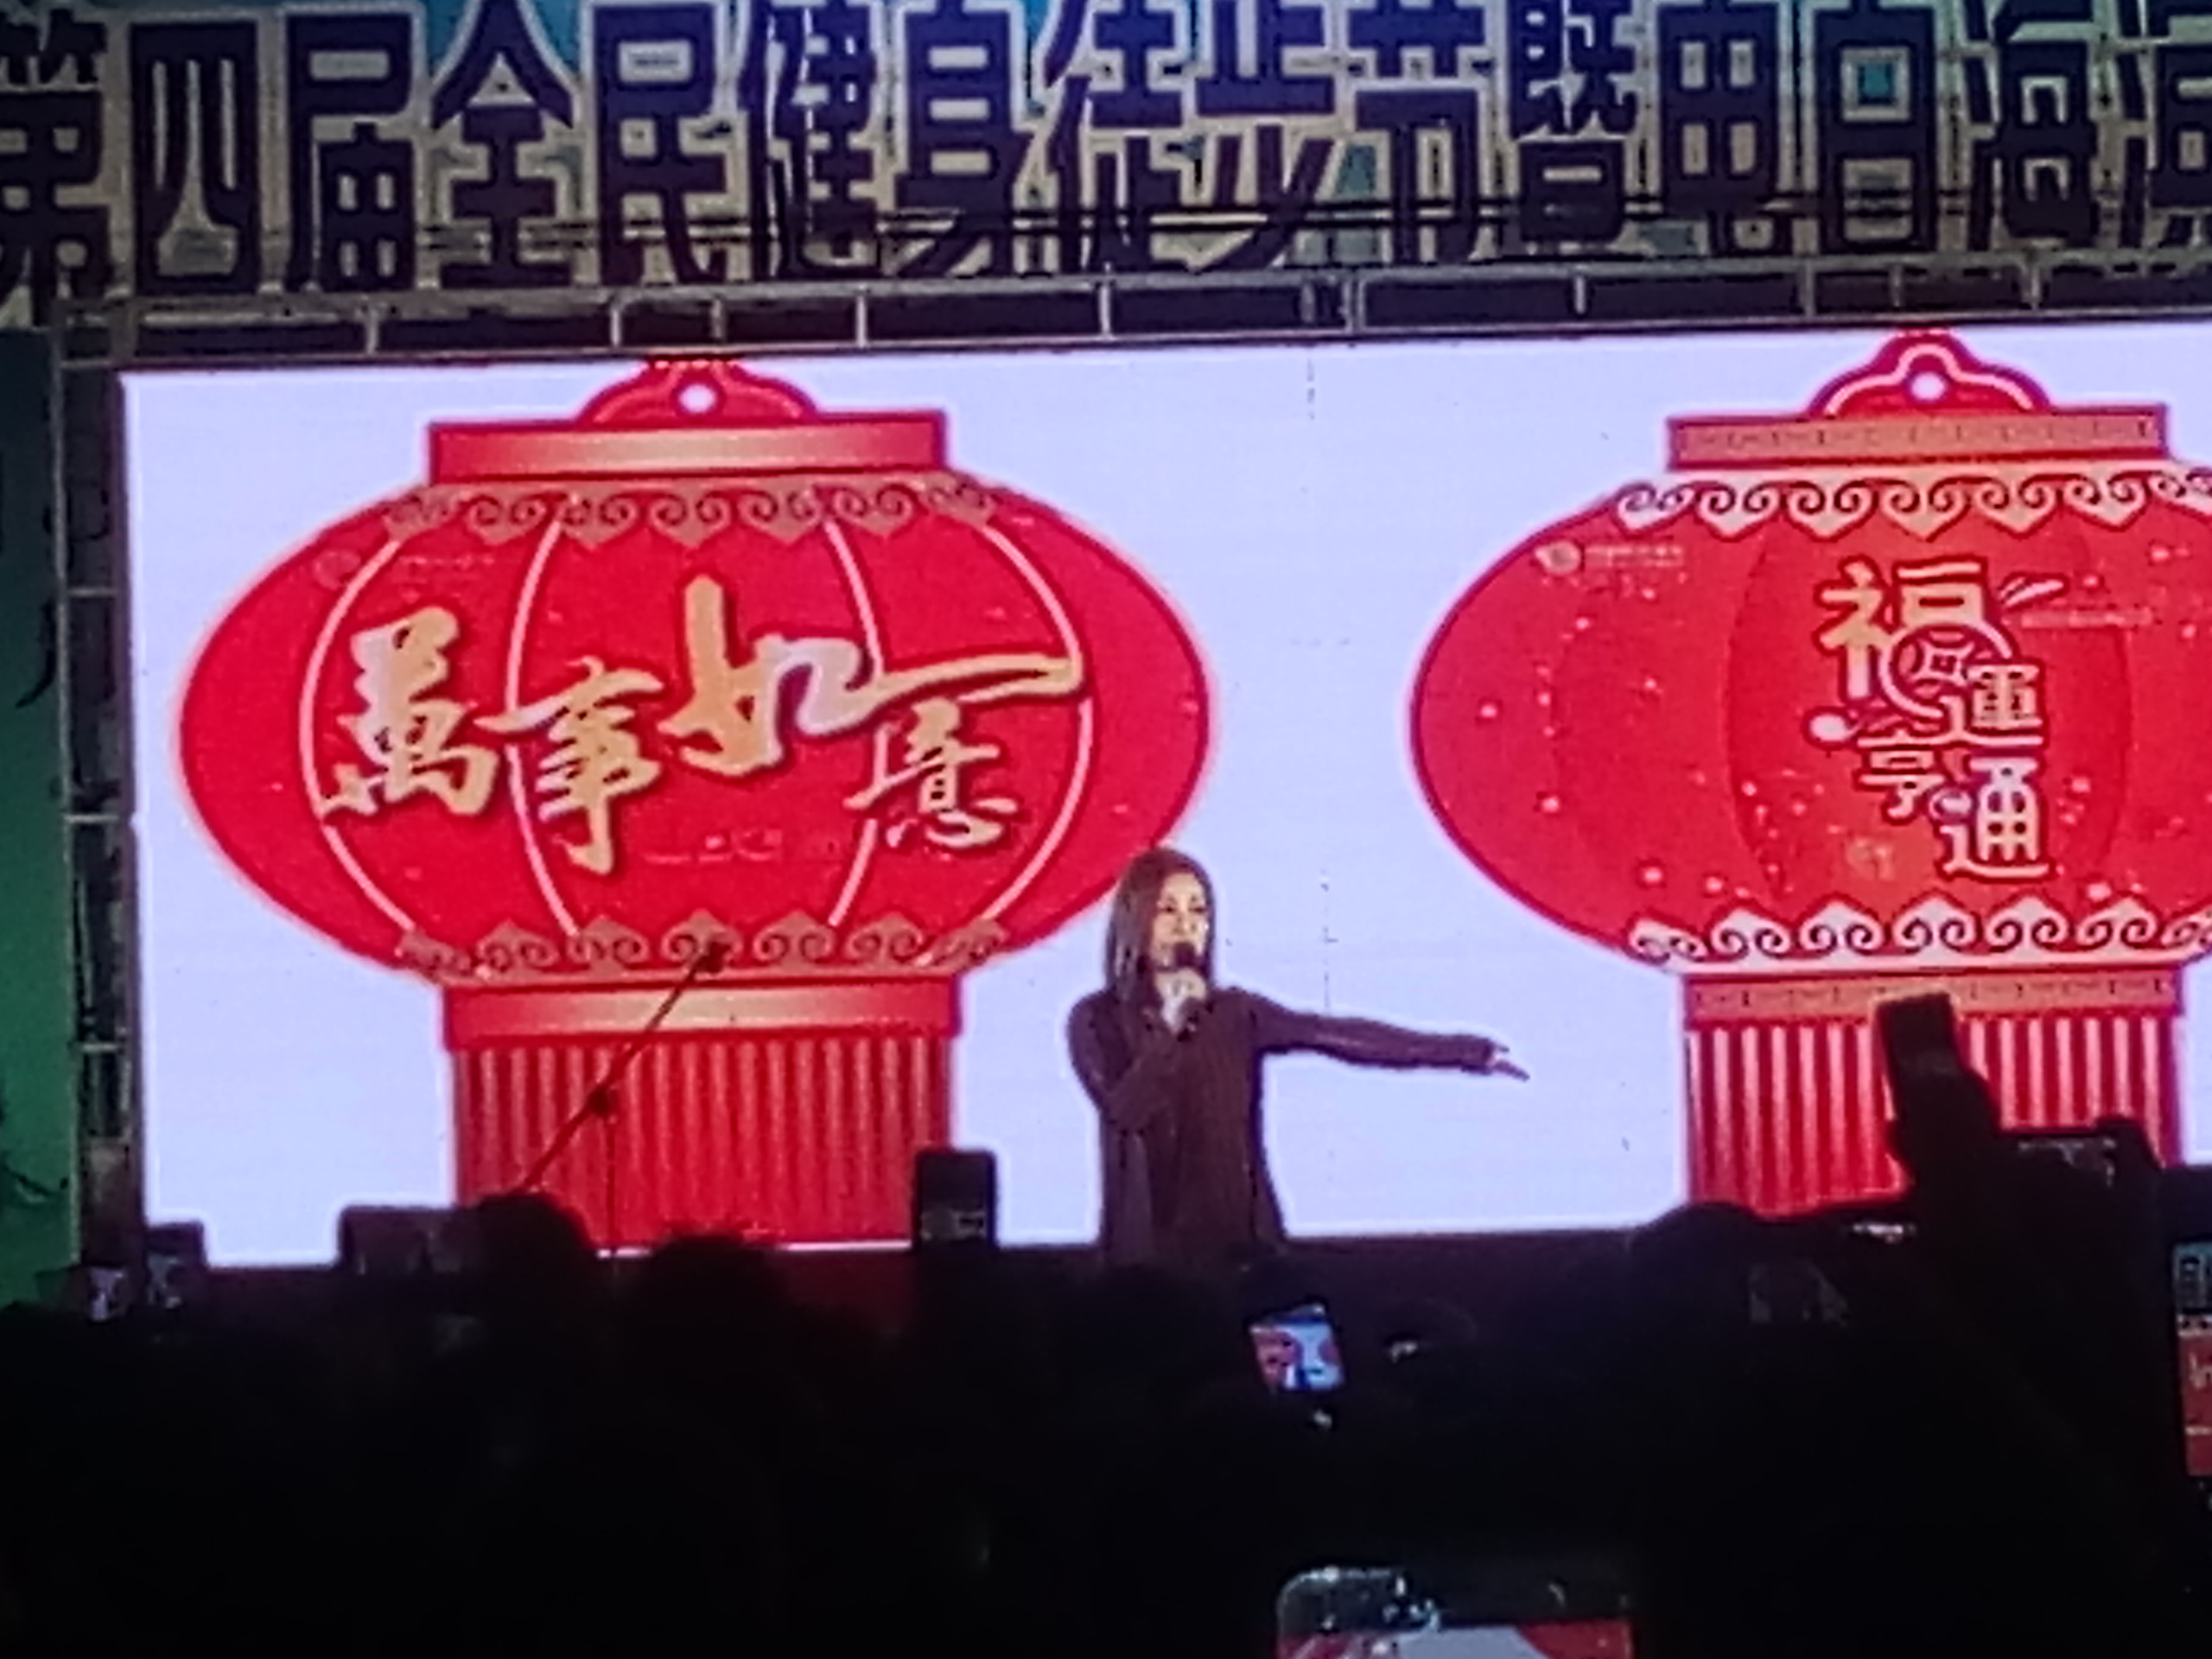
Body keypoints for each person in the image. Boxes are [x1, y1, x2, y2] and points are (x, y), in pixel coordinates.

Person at [1067, 847, 1524, 1279]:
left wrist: (1467, 1052)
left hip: (1246, 1250)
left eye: (1199, 911)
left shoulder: (1236, 1013)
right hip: (1149, 1261)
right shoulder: (1096, 1019)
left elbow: (1337, 1036)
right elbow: (1127, 1110)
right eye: (1168, 910)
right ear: (1136, 917)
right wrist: (1170, 1027)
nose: (1186, 925)